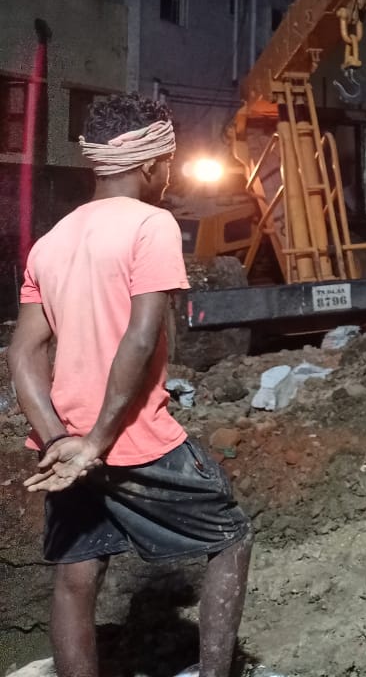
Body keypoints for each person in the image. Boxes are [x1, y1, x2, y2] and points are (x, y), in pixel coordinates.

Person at [8, 94, 252, 677]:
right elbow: (141, 338)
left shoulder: (51, 240)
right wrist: (96, 442)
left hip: (67, 442)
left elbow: (22, 351)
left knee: (77, 574)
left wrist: (59, 441)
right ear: (150, 162)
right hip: (132, 439)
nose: (168, 172)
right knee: (232, 538)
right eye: (168, 160)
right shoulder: (152, 224)